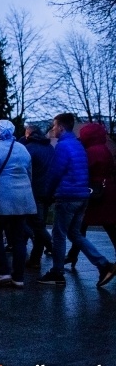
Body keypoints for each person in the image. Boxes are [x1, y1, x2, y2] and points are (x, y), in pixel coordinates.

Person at [37, 114, 116, 286]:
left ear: (61, 127)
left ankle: (57, 273)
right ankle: (104, 265)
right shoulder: (78, 145)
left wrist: (48, 194)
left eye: (54, 126)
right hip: (82, 196)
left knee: (58, 235)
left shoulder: (63, 146)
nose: (52, 129)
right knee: (75, 234)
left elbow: (55, 173)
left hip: (67, 196)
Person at [0, 120, 36, 288]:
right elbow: (29, 173)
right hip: (23, 198)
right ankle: (18, 277)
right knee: (18, 238)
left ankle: (2, 271)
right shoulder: (23, 148)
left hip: (2, 197)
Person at [69, 123, 116, 263]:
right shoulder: (104, 148)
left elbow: (86, 169)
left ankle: (73, 255)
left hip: (96, 191)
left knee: (81, 224)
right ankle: (72, 254)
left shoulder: (92, 151)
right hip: (106, 190)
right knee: (108, 225)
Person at [22, 123, 55, 267]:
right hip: (48, 192)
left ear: (29, 134)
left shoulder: (28, 149)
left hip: (34, 192)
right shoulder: (49, 147)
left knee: (37, 226)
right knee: (38, 225)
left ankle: (54, 248)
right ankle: (35, 259)